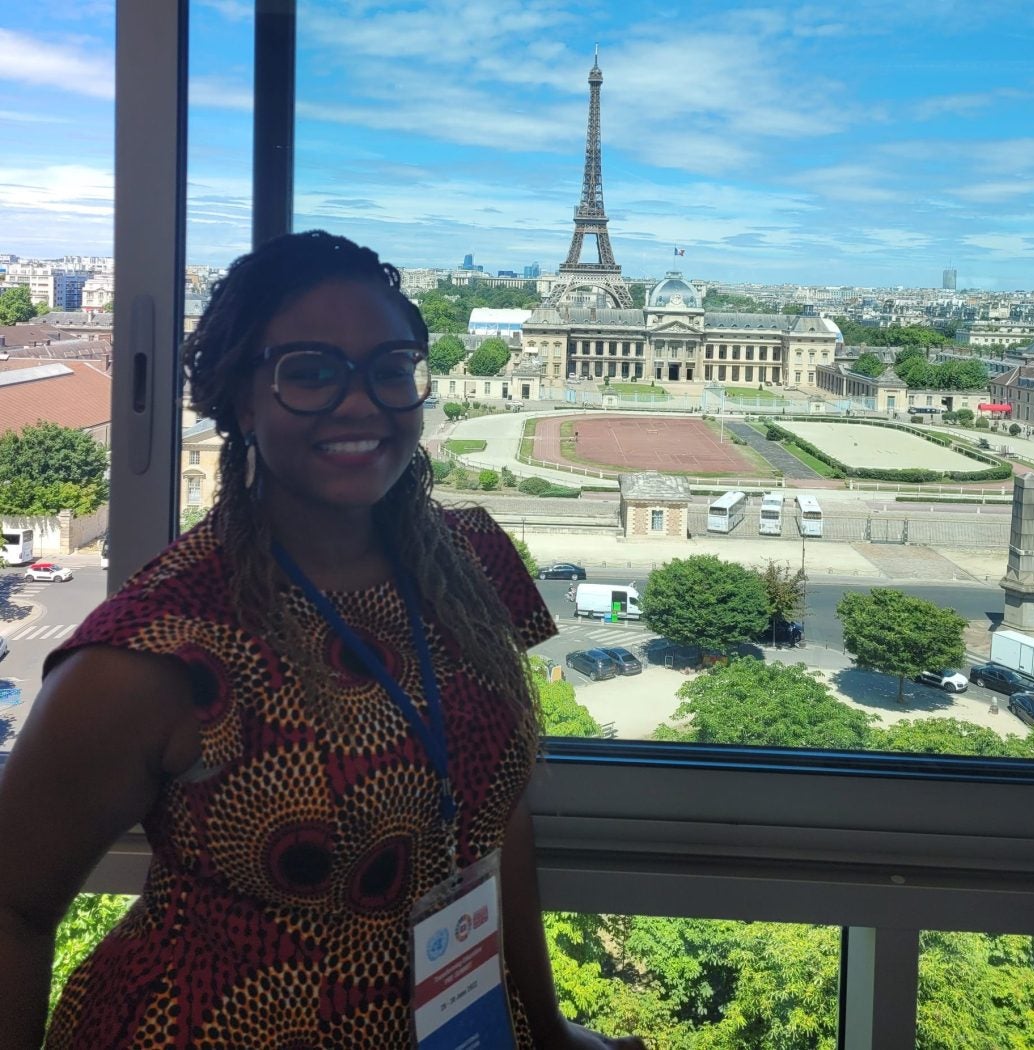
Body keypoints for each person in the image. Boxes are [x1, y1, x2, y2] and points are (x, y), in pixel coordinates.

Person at [0, 231, 645, 1050]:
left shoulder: (475, 562)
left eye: (389, 368)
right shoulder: (156, 649)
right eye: (309, 372)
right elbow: (12, 907)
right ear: (241, 398)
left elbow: (492, 814)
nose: (361, 404)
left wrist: (546, 1028)